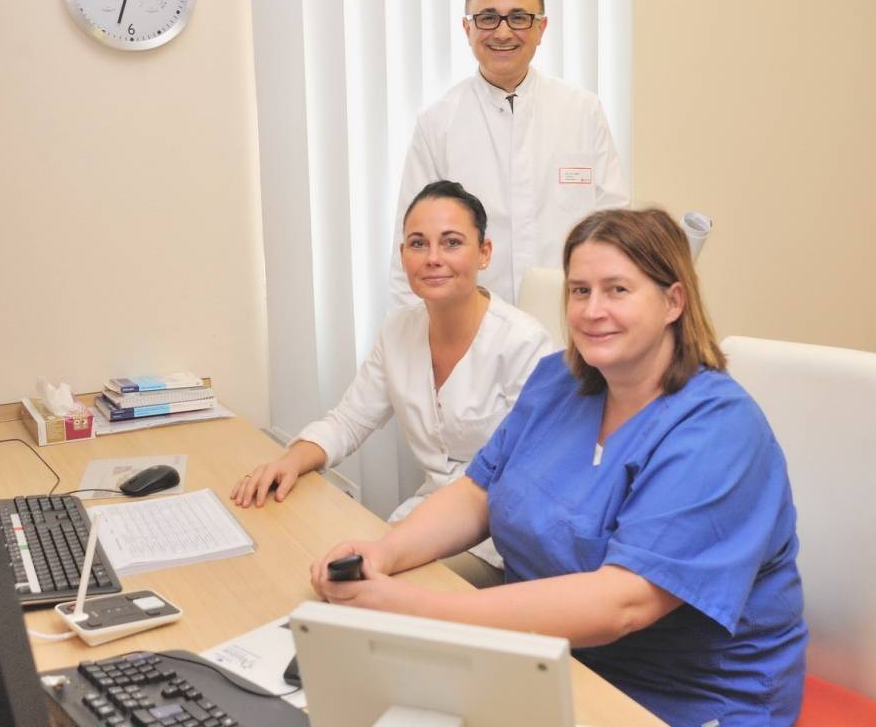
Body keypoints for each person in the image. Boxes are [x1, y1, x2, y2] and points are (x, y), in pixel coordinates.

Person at [316, 208, 808, 726]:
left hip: (683, 695)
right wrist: (384, 551)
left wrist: (417, 611)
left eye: (617, 290)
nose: (593, 310)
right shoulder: (560, 380)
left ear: (672, 301)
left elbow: (622, 603)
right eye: (579, 291)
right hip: (553, 659)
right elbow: (477, 492)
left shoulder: (716, 431)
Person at [232, 181, 553, 572]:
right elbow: (350, 420)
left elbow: (524, 477)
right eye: (418, 244)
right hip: (423, 522)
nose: (433, 257)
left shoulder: (525, 344)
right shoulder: (398, 332)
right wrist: (292, 460)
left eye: (452, 242)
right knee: (302, 557)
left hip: (496, 538)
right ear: (403, 255)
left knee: (368, 589)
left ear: (484, 253)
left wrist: (405, 541)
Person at [390, 0, 629, 307]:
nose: (503, 33)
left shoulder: (582, 110)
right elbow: (412, 245)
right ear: (467, 29)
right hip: (474, 328)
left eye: (519, 18)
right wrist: (416, 346)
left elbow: (616, 226)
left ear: (541, 28)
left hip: (570, 323)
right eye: (488, 18)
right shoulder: (438, 123)